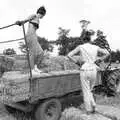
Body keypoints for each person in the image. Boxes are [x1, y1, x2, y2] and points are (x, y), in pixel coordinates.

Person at [67, 32, 109, 114]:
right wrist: (100, 59)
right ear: (90, 40)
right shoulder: (95, 47)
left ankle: (88, 110)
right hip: (94, 70)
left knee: (86, 91)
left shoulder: (81, 47)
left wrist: (77, 62)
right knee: (90, 90)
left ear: (83, 40)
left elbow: (69, 55)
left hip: (84, 69)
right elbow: (107, 53)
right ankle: (93, 105)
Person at [16, 6, 46, 74]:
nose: (43, 17)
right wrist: (20, 22)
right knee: (32, 53)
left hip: (34, 36)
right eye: (44, 15)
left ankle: (35, 68)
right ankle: (32, 70)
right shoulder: (34, 15)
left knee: (41, 53)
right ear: (42, 13)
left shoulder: (38, 20)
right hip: (30, 35)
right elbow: (25, 20)